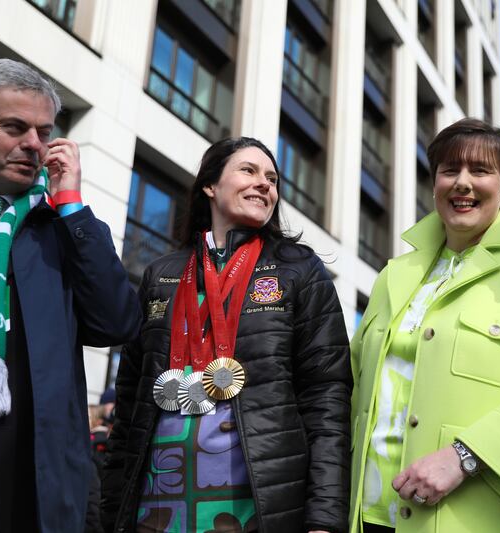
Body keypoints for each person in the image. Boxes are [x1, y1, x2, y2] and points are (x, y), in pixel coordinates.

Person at [349, 118, 500, 532]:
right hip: (371, 517)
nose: (463, 183)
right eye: (450, 171)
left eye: (480, 171)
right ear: (434, 184)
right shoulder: (392, 275)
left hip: (481, 518)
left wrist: (464, 457)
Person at [102, 137, 352, 533]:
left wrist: (323, 518)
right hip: (157, 503)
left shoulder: (299, 271)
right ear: (210, 185)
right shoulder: (160, 274)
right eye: (248, 171)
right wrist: (110, 512)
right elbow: (130, 406)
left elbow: (328, 401)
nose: (265, 184)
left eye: (272, 178)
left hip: (255, 507)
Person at [0, 58, 141, 533]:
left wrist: (72, 206)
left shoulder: (60, 226)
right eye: (14, 127)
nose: (33, 145)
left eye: (44, 132)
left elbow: (117, 323)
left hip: (13, 473)